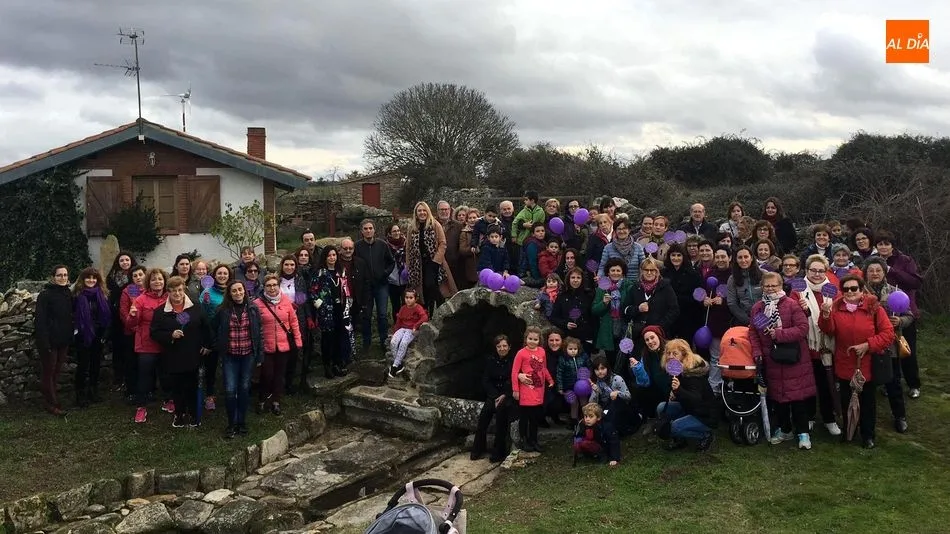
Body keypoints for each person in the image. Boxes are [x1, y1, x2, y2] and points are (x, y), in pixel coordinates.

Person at [818, 275, 896, 449]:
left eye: (854, 288)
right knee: (846, 400)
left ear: (862, 290)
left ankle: (868, 435)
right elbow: (828, 330)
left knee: (867, 401)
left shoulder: (874, 308)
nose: (850, 292)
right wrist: (825, 315)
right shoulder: (836, 307)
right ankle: (849, 431)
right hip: (845, 361)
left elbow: (888, 333)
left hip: (867, 363)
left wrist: (868, 345)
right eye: (846, 289)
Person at [749, 271, 816, 450]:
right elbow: (754, 332)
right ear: (762, 287)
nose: (770, 288)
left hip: (793, 358)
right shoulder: (758, 307)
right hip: (772, 359)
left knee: (797, 398)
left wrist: (778, 334)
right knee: (778, 399)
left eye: (774, 285)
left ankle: (803, 433)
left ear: (781, 286)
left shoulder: (791, 305)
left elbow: (802, 329)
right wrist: (757, 352)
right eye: (767, 285)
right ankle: (784, 429)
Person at [150, 275, 211, 428]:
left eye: (179, 290)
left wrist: (207, 345)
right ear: (168, 292)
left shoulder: (196, 307)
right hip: (173, 355)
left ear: (184, 289)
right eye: (173, 291)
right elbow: (154, 333)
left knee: (191, 385)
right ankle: (179, 413)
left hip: (192, 354)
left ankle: (193, 413)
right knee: (177, 387)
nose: (177, 294)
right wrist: (170, 335)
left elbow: (206, 328)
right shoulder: (160, 312)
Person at [797, 255, 844, 437]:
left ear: (826, 272)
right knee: (808, 384)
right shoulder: (798, 289)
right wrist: (802, 309)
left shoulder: (832, 290)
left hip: (827, 345)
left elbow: (839, 313)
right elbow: (793, 314)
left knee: (827, 384)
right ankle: (809, 416)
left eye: (820, 271)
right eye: (813, 270)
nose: (817, 274)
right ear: (807, 271)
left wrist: (828, 314)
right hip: (807, 345)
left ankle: (829, 418)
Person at [864, 257, 911, 433]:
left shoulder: (894, 292)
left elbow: (910, 315)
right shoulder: (857, 291)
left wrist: (900, 320)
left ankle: (900, 416)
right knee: (867, 386)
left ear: (884, 272)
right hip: (866, 346)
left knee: (893, 383)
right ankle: (867, 420)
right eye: (871, 270)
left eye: (878, 270)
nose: (874, 273)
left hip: (889, 347)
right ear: (866, 272)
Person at [875, 230, 923, 398]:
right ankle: (890, 384)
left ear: (892, 246)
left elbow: (915, 282)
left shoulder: (905, 260)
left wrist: (891, 270)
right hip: (883, 314)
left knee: (907, 349)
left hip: (905, 312)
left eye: (886, 244)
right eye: (880, 244)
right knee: (888, 352)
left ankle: (913, 384)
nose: (883, 247)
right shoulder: (873, 262)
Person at [213, 279, 263, 439]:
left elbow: (259, 333)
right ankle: (231, 423)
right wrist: (218, 346)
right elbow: (212, 329)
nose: (238, 293)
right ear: (229, 293)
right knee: (229, 390)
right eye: (234, 291)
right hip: (230, 356)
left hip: (248, 355)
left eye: (240, 290)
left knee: (243, 389)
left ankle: (241, 422)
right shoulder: (223, 310)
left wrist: (260, 354)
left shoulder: (253, 309)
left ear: (245, 291)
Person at [656, 339, 717, 452]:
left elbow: (696, 399)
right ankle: (680, 439)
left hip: (704, 415)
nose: (670, 356)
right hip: (689, 408)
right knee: (661, 407)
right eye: (668, 353)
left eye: (675, 353)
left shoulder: (692, 374)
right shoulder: (676, 371)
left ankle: (706, 435)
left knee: (674, 427)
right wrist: (674, 392)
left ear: (684, 355)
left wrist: (679, 390)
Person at [127, 268, 170, 424]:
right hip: (146, 344)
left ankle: (168, 400)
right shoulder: (140, 299)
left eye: (159, 279)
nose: (157, 282)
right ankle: (141, 407)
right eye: (153, 279)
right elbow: (131, 323)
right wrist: (132, 315)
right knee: (145, 376)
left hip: (166, 343)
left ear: (164, 281)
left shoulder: (171, 297)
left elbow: (183, 315)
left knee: (166, 374)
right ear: (148, 283)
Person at [256, 274, 303, 416]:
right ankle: (262, 399)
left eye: (274, 285)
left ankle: (276, 401)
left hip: (283, 345)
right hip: (266, 346)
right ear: (264, 287)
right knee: (267, 374)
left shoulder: (286, 301)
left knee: (279, 375)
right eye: (269, 286)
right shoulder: (257, 304)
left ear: (279, 286)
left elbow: (294, 322)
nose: (272, 288)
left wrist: (298, 340)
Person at [406, 201, 458, 317]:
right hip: (418, 264)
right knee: (422, 290)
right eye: (419, 211)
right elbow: (409, 247)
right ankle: (425, 315)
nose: (422, 213)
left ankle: (441, 309)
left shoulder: (435, 224)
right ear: (416, 213)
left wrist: (436, 260)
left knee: (431, 285)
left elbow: (442, 243)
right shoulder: (412, 227)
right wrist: (408, 265)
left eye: (424, 210)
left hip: (434, 262)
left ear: (428, 211)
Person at [34, 265, 74, 416]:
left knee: (56, 371)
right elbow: (40, 320)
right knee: (48, 372)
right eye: (59, 275)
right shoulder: (45, 295)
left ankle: (52, 399)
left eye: (65, 275)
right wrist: (44, 342)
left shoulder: (67, 293)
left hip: (63, 340)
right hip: (49, 341)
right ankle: (51, 403)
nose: (62, 278)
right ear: (53, 277)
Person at [312, 246, 355, 378]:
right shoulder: (320, 273)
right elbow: (313, 291)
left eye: (334, 255)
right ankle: (327, 365)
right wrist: (319, 304)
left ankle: (338, 363)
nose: (332, 258)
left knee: (339, 336)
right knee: (328, 339)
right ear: (325, 257)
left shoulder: (340, 271)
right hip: (326, 310)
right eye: (329, 255)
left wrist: (348, 302)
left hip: (340, 308)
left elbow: (345, 287)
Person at [622, 258, 680, 356]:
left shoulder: (665, 287)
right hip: (639, 336)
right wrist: (637, 309)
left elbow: (674, 310)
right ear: (641, 271)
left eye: (652, 270)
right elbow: (625, 310)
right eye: (646, 270)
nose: (649, 273)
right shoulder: (635, 288)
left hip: (660, 335)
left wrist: (659, 327)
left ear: (657, 272)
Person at [72, 267, 111, 408]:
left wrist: (105, 333)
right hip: (83, 334)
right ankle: (80, 393)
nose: (91, 280)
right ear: (82, 279)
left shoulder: (103, 294)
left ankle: (93, 390)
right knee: (83, 365)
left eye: (94, 278)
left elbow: (107, 316)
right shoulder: (76, 296)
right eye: (88, 277)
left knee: (95, 363)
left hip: (98, 334)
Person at [511, 326, 554, 453]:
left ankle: (534, 440)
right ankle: (524, 441)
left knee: (535, 418)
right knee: (525, 418)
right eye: (530, 338)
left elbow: (544, 368)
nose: (532, 341)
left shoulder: (542, 351)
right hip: (526, 390)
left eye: (535, 339)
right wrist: (515, 390)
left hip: (538, 390)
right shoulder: (521, 353)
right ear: (526, 339)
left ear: (539, 340)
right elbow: (514, 372)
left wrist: (550, 380)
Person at [471, 334, 513, 462]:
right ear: (495, 348)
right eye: (499, 346)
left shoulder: (514, 360)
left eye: (504, 346)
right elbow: (486, 379)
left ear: (509, 347)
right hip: (493, 394)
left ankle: (498, 452)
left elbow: (513, 380)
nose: (502, 349)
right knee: (483, 418)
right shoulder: (490, 360)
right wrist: (494, 395)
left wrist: (504, 395)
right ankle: (478, 449)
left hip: (506, 395)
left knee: (501, 420)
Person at [355, 219, 396, 351]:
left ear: (374, 230)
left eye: (370, 228)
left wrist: (385, 273)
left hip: (381, 284)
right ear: (362, 231)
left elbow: (391, 262)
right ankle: (367, 342)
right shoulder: (357, 246)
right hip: (365, 287)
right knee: (366, 315)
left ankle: (383, 340)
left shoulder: (383, 245)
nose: (368, 231)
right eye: (365, 229)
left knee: (382, 314)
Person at [277, 255, 311, 395]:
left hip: (297, 319)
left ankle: (293, 382)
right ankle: (280, 382)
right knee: (281, 352)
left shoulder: (299, 279)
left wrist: (307, 316)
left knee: (296, 352)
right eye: (287, 264)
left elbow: (302, 299)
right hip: (280, 320)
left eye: (292, 265)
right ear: (282, 266)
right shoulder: (277, 280)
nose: (289, 267)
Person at [199, 264, 232, 412]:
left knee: (229, 366)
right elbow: (202, 316)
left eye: (225, 273)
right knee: (211, 367)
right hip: (211, 335)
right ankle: (210, 395)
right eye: (220, 273)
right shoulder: (207, 292)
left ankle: (230, 393)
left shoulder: (233, 290)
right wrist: (206, 341)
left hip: (230, 335)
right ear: (214, 275)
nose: (223, 276)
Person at [592, 258, 632, 370]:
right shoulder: (602, 288)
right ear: (608, 272)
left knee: (624, 358)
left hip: (623, 326)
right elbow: (594, 310)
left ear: (622, 272)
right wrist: (603, 303)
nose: (615, 273)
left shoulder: (628, 286)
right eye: (612, 270)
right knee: (611, 359)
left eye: (618, 270)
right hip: (608, 328)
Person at [106, 252, 137, 394]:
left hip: (132, 317)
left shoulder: (136, 277)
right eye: (122, 260)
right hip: (116, 317)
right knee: (118, 348)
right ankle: (119, 378)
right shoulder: (111, 278)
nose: (125, 262)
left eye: (127, 260)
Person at [589, 355, 638, 436]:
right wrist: (595, 392)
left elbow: (628, 396)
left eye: (602, 368)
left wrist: (617, 393)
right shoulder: (596, 382)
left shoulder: (617, 379)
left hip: (620, 408)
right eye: (597, 369)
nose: (600, 372)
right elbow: (592, 403)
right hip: (605, 408)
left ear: (607, 368)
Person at [118, 265, 147, 402]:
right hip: (131, 333)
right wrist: (135, 327)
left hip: (147, 333)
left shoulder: (151, 289)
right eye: (135, 276)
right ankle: (132, 391)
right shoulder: (128, 291)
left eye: (140, 274)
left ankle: (148, 390)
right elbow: (124, 312)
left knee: (146, 363)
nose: (138, 278)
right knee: (131, 363)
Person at [549, 267, 595, 351]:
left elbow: (594, 318)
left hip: (586, 338)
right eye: (573, 277)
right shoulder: (562, 296)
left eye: (578, 277)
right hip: (568, 338)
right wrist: (565, 324)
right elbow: (553, 317)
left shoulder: (589, 295)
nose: (575, 280)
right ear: (568, 279)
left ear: (582, 279)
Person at [630, 326, 669, 420]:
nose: (650, 342)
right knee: (639, 390)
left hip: (675, 389)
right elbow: (645, 382)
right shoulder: (646, 355)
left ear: (659, 336)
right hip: (659, 390)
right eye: (647, 340)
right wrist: (637, 368)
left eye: (652, 337)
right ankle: (650, 418)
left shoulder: (670, 349)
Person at [388, 289, 429, 378]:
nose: (408, 300)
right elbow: (398, 322)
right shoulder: (403, 308)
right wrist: (395, 332)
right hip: (402, 328)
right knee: (393, 342)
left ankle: (394, 366)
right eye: (406, 297)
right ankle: (399, 364)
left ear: (415, 299)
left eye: (411, 298)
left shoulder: (418, 308)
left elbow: (424, 317)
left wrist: (416, 326)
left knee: (403, 343)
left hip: (411, 330)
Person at [556, 337, 591, 426]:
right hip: (569, 386)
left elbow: (589, 366)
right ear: (565, 349)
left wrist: (589, 378)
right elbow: (559, 373)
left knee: (584, 402)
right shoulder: (563, 359)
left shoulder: (583, 356)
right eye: (570, 349)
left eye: (575, 349)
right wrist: (560, 387)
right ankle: (574, 421)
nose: (573, 351)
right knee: (573, 403)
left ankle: (586, 419)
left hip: (582, 386)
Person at [597, 218, 646, 284]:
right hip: (614, 286)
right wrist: (599, 276)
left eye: (624, 228)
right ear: (615, 231)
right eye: (619, 229)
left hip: (634, 284)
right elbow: (602, 266)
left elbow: (643, 266)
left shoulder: (638, 247)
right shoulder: (608, 248)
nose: (622, 231)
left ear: (629, 230)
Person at [573, 403, 621, 467]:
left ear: (598, 417)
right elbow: (579, 435)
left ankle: (603, 456)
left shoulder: (607, 426)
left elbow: (614, 442)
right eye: (585, 416)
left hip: (603, 446)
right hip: (592, 443)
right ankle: (589, 455)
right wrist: (578, 440)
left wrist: (614, 458)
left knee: (586, 444)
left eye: (591, 416)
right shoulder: (582, 424)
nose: (587, 419)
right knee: (578, 444)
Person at [726, 246, 763, 326]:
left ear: (752, 258)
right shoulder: (732, 279)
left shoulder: (764, 274)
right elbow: (732, 303)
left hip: (764, 318)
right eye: (740, 257)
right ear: (736, 259)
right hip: (743, 320)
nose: (743, 260)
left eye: (746, 257)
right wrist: (747, 320)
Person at [386, 223, 408, 317]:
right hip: (392, 280)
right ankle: (397, 324)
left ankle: (406, 323)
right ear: (390, 233)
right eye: (394, 231)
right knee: (395, 305)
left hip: (405, 278)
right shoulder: (386, 246)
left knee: (406, 303)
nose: (397, 233)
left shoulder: (406, 243)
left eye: (398, 230)